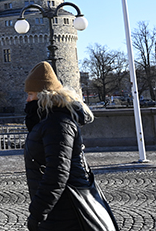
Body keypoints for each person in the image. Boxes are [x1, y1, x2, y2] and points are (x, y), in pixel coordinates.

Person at [23, 61, 102, 231]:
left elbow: (57, 173)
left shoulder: (57, 124)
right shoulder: (49, 121)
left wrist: (37, 213)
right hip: (58, 209)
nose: (27, 99)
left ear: (43, 95)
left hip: (65, 211)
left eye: (30, 94)